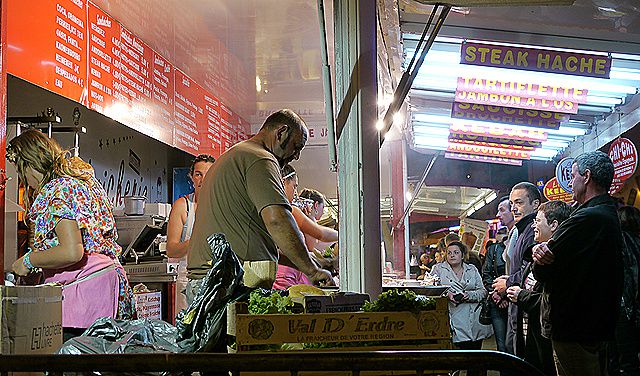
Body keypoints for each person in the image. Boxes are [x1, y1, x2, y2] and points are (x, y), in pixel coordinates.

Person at [186, 109, 334, 303]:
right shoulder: (260, 158)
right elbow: (278, 221)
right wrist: (312, 271)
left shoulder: (238, 155)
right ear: (281, 133)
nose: (296, 156)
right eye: (296, 147)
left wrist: (312, 262)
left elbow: (262, 242)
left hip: (212, 283)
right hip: (223, 287)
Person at [7, 129, 135, 340]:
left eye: (21, 173)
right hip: (106, 288)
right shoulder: (81, 181)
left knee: (73, 368)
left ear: (29, 165)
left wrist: (29, 260)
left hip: (85, 297)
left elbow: (71, 251)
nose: (24, 181)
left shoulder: (58, 190)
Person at [533, 151, 624, 376]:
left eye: (573, 176)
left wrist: (539, 255)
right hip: (595, 325)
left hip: (575, 327)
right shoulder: (606, 213)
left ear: (586, 176)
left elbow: (543, 269)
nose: (570, 183)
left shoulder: (587, 218)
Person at [506, 200, 572, 376]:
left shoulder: (557, 258)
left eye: (538, 221)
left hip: (549, 339)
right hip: (532, 337)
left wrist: (521, 296)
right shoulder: (538, 255)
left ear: (554, 225)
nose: (534, 225)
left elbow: (553, 299)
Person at [493, 182, 541, 357]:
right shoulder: (521, 230)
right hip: (516, 305)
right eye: (512, 204)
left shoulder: (532, 230)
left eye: (519, 203)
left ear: (535, 204)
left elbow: (531, 271)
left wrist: (508, 283)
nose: (514, 208)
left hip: (527, 309)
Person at [432, 241, 492, 376]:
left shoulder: (472, 269)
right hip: (453, 320)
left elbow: (483, 292)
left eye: (456, 252)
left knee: (476, 361)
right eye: (449, 253)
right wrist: (447, 295)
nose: (452, 255)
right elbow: (430, 291)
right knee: (457, 361)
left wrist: (467, 295)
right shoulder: (438, 270)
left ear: (463, 255)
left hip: (474, 319)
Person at [273, 164, 338, 289]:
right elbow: (320, 234)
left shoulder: (289, 211)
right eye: (294, 186)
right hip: (284, 279)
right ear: (283, 182)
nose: (296, 192)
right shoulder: (288, 211)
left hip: (291, 278)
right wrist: (345, 235)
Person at [165, 154, 216, 313]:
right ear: (192, 177)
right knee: (187, 331)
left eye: (208, 174)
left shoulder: (221, 206)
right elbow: (171, 250)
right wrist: (197, 239)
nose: (202, 179)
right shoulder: (183, 205)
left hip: (215, 279)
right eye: (198, 174)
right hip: (187, 280)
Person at [607, 205, 640, 375]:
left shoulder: (623, 241)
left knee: (623, 358)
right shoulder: (635, 240)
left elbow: (629, 277)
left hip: (623, 307)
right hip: (630, 307)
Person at [482, 225, 509, 353]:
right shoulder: (493, 250)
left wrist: (506, 296)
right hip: (496, 301)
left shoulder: (517, 248)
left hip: (517, 301)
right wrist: (497, 295)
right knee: (502, 345)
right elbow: (486, 274)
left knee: (515, 344)